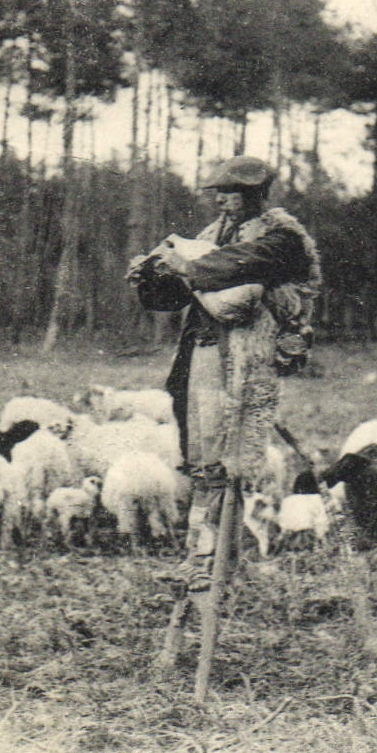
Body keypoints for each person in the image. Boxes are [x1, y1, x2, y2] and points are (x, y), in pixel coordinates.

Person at [126, 155, 322, 590]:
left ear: (255, 195)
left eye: (229, 193)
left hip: (241, 360)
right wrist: (150, 276)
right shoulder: (210, 238)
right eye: (216, 194)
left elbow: (240, 264)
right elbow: (177, 295)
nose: (220, 202)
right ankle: (202, 555)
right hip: (202, 353)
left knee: (224, 457)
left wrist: (186, 265)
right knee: (201, 460)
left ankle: (215, 559)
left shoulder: (281, 238)